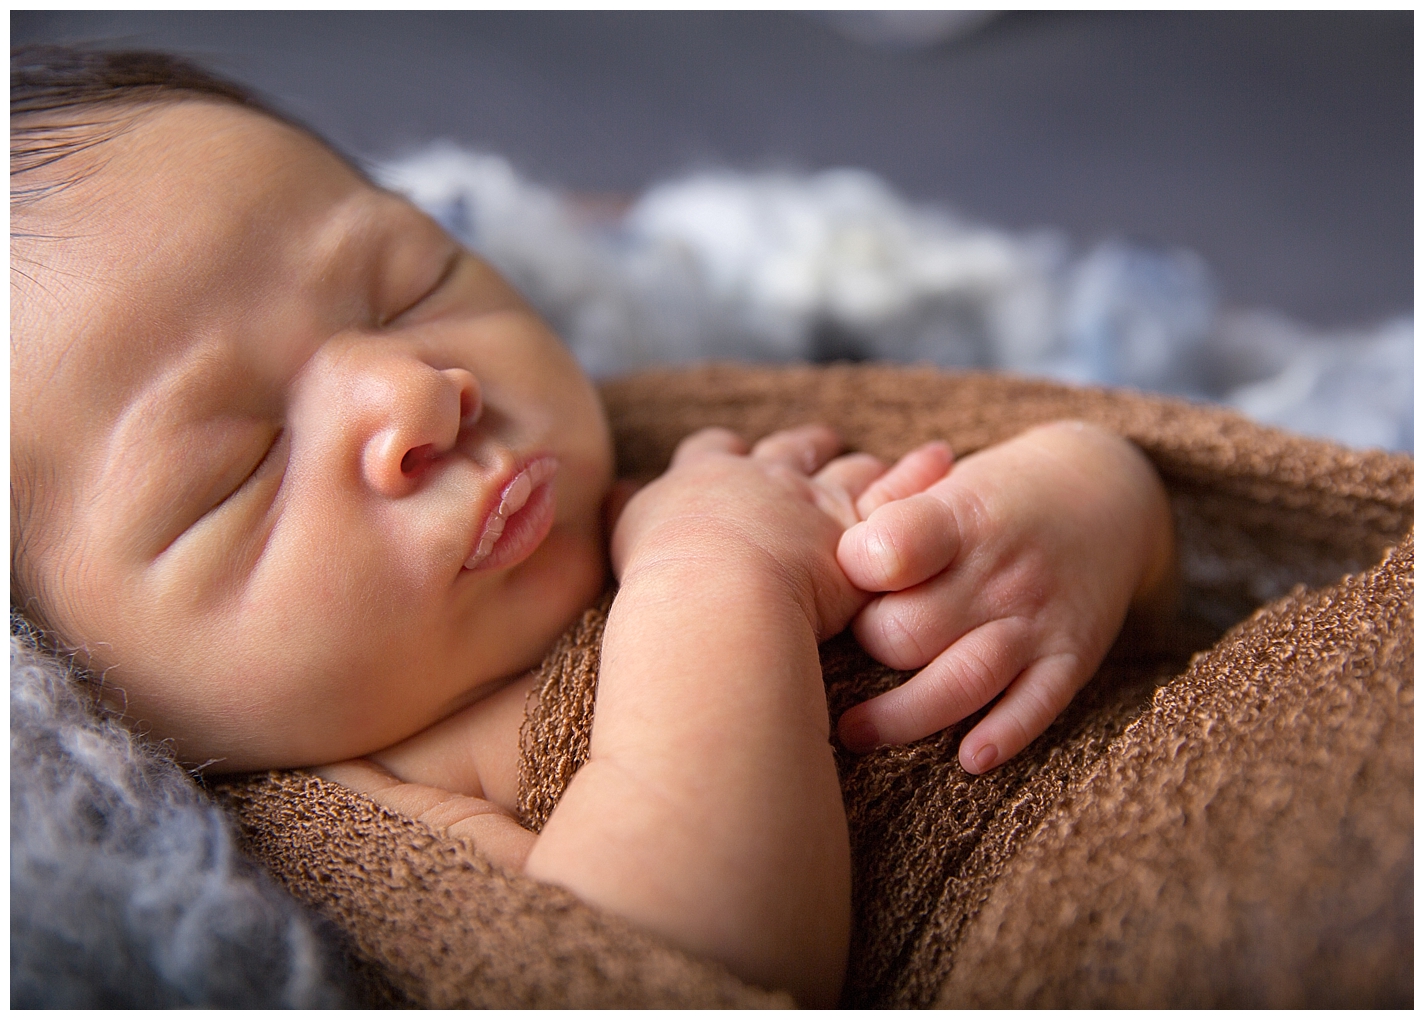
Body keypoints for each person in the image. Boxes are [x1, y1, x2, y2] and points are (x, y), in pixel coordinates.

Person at [9, 47, 1173, 1007]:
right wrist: (711, 575)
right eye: (242, 465)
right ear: (76, 684)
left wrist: (1082, 499)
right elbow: (658, 975)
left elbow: (1188, 567)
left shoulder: (685, 433)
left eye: (406, 283)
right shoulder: (357, 819)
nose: (416, 389)